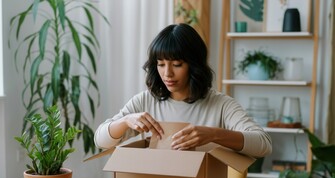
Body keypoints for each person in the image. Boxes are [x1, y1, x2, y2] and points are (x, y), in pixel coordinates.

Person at [94, 23, 272, 158]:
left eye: (177, 64)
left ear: (194, 65)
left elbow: (263, 144)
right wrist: (125, 121)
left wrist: (213, 134)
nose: (167, 73)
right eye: (161, 64)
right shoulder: (145, 101)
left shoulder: (221, 105)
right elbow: (100, 141)